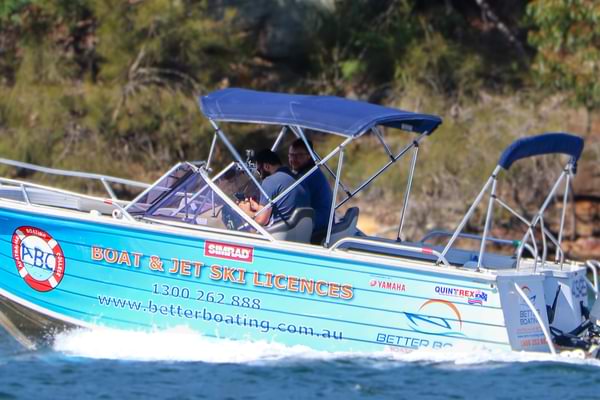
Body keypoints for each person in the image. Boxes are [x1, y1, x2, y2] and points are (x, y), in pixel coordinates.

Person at [238, 149, 309, 226]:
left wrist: (244, 211)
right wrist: (258, 207)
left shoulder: (269, 181)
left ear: (266, 166)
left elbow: (261, 220)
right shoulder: (298, 178)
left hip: (279, 234)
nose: (260, 176)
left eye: (259, 171)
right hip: (301, 233)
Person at [288, 139, 333, 233]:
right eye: (291, 155)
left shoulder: (308, 176)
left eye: (299, 155)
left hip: (319, 225)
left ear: (309, 156)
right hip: (322, 221)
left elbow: (291, 203)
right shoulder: (312, 172)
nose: (293, 159)